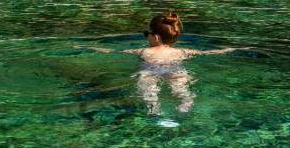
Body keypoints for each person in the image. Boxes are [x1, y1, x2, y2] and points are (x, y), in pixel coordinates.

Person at [91, 12, 236, 115]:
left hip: (150, 69)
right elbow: (207, 53)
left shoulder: (142, 51)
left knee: (149, 91)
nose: (146, 37)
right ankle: (185, 104)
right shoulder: (182, 52)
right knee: (182, 90)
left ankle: (154, 109)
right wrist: (231, 49)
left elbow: (113, 52)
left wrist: (93, 48)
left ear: (155, 37)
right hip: (175, 68)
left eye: (146, 34)